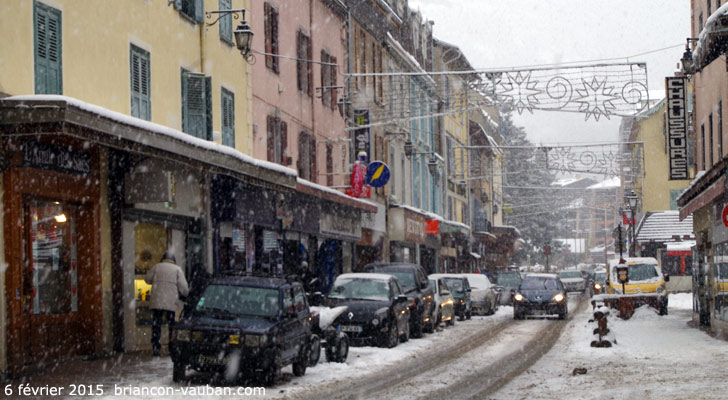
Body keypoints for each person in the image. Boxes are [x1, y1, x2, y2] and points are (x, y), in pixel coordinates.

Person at [145, 252, 188, 356]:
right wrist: (185, 295)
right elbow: (184, 288)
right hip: (170, 302)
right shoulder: (177, 269)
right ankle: (172, 347)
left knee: (156, 325)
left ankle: (156, 347)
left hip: (157, 301)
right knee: (171, 325)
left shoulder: (156, 267)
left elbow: (147, 280)